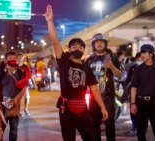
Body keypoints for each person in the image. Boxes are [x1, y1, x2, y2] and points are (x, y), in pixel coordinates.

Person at [45, 5, 108, 141]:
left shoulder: (87, 67)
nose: (77, 48)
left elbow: (94, 89)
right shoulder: (64, 61)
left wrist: (103, 108)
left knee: (90, 137)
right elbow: (55, 42)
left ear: (84, 50)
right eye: (74, 46)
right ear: (69, 49)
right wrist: (50, 21)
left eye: (80, 46)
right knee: (68, 138)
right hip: (66, 109)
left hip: (82, 109)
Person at [86, 33, 121, 141]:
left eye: (102, 42)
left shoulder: (112, 57)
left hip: (108, 96)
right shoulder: (89, 59)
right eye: (97, 42)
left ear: (105, 44)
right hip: (93, 97)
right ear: (93, 45)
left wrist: (112, 66)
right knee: (94, 124)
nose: (99, 44)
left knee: (110, 122)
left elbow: (120, 75)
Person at [130, 44, 155, 141]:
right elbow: (134, 87)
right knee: (140, 129)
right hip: (140, 102)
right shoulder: (138, 69)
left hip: (153, 102)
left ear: (151, 54)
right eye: (141, 52)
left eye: (144, 52)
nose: (142, 55)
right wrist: (133, 103)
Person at [0, 51, 26, 141]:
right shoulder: (0, 73)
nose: (12, 59)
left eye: (14, 58)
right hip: (2, 108)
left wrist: (16, 99)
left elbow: (23, 89)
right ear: (5, 60)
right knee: (0, 131)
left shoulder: (20, 73)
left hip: (15, 107)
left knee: (14, 132)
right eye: (10, 57)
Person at [126, 52, 143, 135]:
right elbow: (128, 80)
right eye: (139, 58)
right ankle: (134, 126)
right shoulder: (132, 68)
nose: (141, 59)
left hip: (145, 93)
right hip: (133, 92)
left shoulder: (150, 68)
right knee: (133, 109)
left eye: (142, 57)